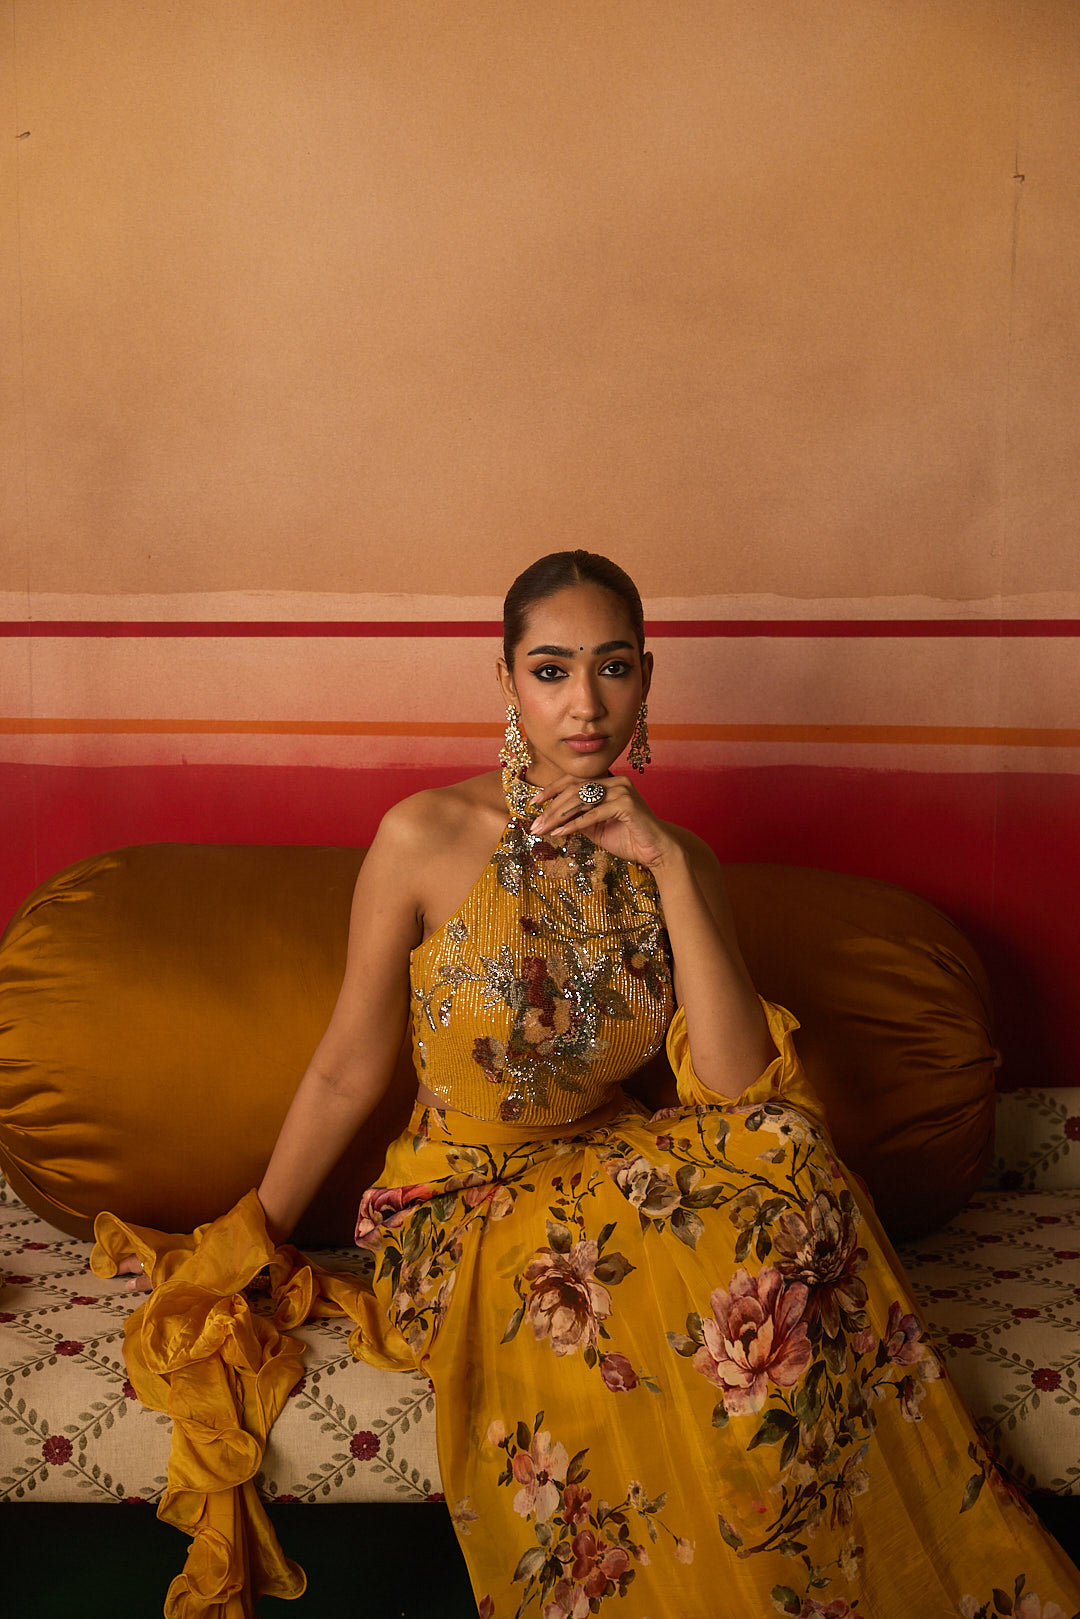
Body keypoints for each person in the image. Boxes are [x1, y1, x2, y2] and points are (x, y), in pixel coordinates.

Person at [116, 550, 1080, 1618]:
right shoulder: (423, 836)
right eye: (552, 669)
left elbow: (738, 1088)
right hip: (460, 1199)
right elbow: (348, 1064)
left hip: (608, 1162)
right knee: (626, 1254)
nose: (585, 703)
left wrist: (667, 868)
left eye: (612, 667)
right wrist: (250, 1237)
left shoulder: (677, 858)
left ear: (646, 677)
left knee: (790, 1152)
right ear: (506, 680)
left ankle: (815, 1585)